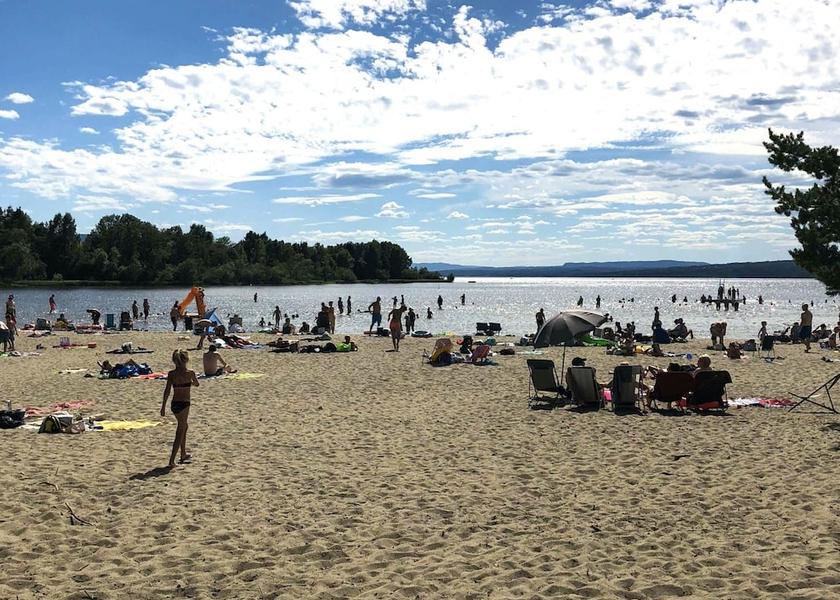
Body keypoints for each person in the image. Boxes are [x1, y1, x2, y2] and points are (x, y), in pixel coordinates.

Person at [161, 349, 198, 468]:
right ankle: (172, 460)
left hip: (175, 404)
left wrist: (163, 407)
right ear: (186, 360)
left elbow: (167, 391)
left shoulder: (172, 374)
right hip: (184, 403)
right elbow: (197, 384)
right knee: (180, 430)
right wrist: (190, 383)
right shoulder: (190, 373)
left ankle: (183, 453)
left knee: (184, 426)